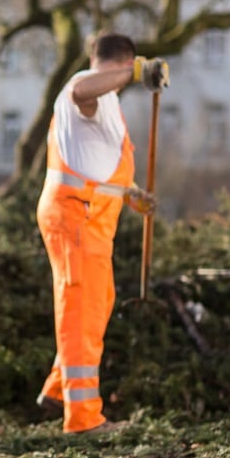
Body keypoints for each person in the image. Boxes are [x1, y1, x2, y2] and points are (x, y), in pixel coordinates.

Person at [34, 31, 168, 435]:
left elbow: (95, 165)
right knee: (81, 308)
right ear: (125, 60)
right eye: (128, 68)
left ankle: (58, 390)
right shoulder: (86, 88)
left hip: (89, 219)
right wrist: (135, 72)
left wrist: (132, 195)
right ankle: (83, 419)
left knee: (99, 302)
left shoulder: (109, 103)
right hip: (75, 217)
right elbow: (80, 90)